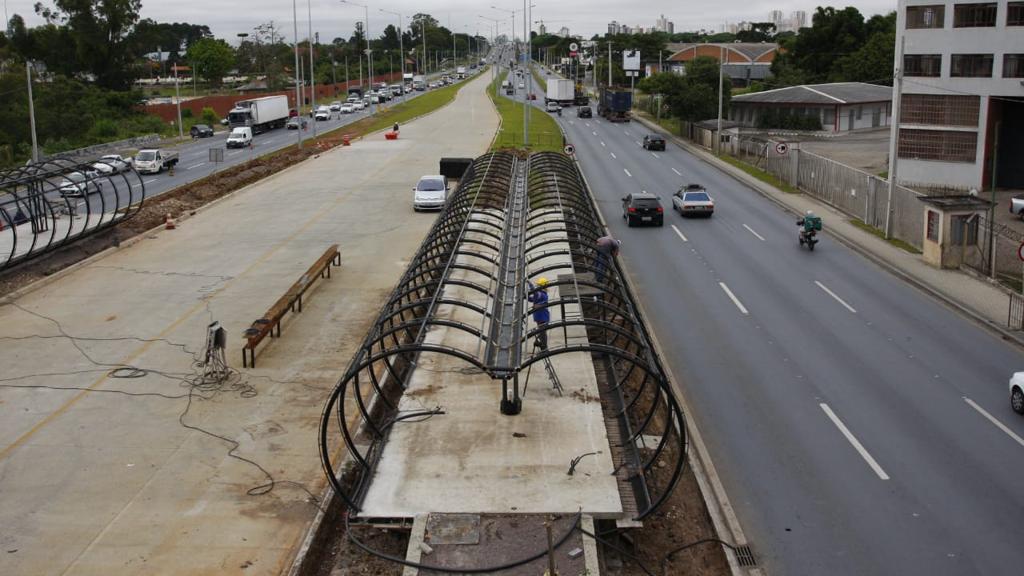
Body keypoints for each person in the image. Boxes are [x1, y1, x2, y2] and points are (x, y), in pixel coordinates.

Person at [526, 277, 551, 350]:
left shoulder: (541, 294)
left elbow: (535, 293)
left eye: (538, 285)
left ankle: (544, 347)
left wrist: (530, 284)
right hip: (540, 317)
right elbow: (533, 299)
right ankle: (543, 345)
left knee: (542, 333)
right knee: (541, 332)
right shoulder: (542, 294)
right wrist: (526, 297)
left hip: (542, 317)